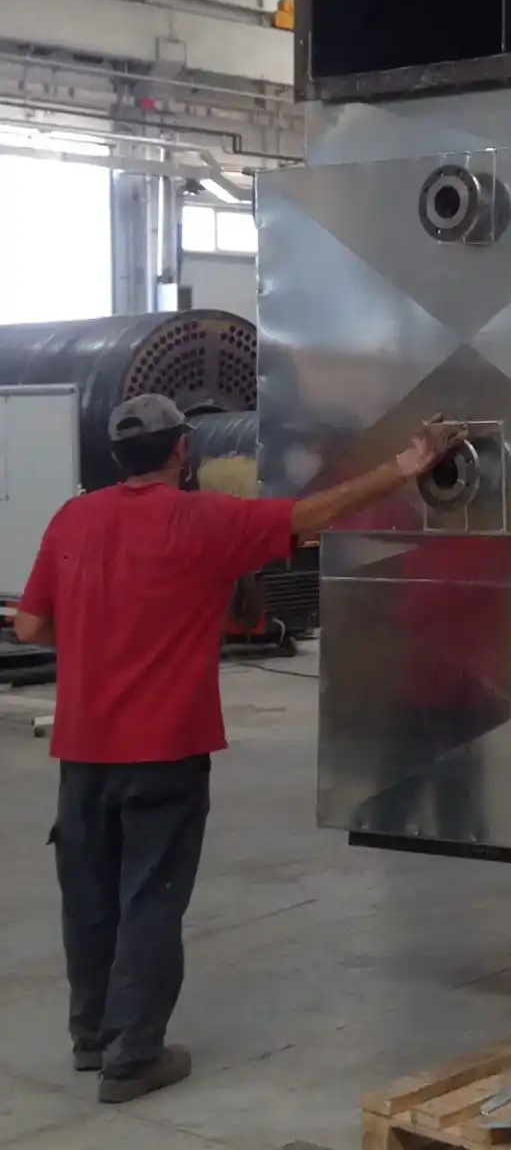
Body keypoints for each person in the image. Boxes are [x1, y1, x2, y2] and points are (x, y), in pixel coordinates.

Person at [14, 395, 464, 1104]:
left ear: (116, 455)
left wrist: (104, 639)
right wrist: (405, 466)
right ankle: (134, 1058)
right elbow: (314, 515)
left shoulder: (72, 518)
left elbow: (32, 625)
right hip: (165, 749)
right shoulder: (203, 520)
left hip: (82, 751)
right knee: (150, 897)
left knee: (91, 898)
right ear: (181, 450)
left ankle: (92, 1037)